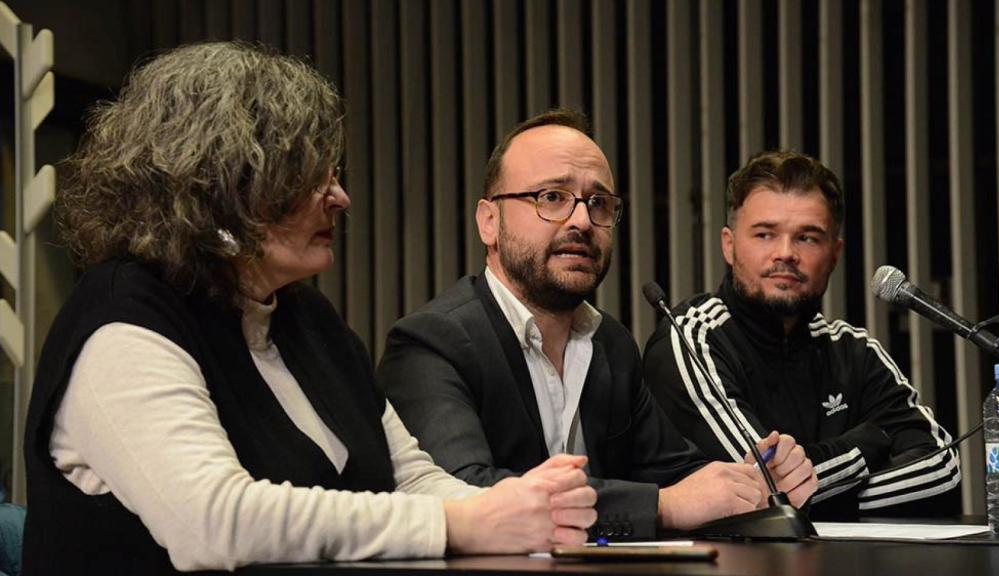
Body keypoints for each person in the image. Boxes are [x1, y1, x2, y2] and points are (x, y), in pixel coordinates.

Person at [22, 42, 597, 574]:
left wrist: (518, 511)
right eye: (311, 175)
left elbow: (411, 480)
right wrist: (462, 524)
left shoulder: (307, 319)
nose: (341, 197)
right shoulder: (123, 321)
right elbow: (213, 523)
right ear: (223, 182)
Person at [376, 110, 816, 540]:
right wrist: (662, 506)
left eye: (598, 203)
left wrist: (753, 483)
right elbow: (465, 492)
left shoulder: (609, 343)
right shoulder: (431, 342)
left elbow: (672, 473)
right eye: (552, 197)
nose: (582, 221)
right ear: (489, 222)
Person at [643, 150, 961, 519]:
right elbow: (761, 488)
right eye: (765, 234)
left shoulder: (854, 349)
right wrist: (867, 443)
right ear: (729, 245)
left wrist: (812, 496)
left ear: (834, 254)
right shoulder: (692, 338)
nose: (785, 253)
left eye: (807, 238)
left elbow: (941, 471)